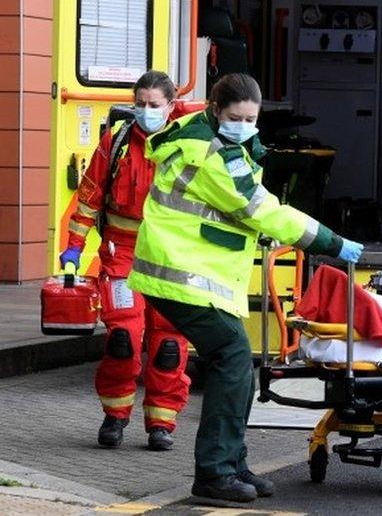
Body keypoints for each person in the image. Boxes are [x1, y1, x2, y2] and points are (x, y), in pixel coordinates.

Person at [127, 73, 364, 503]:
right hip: (180, 274)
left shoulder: (214, 140)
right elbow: (262, 210)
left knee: (237, 369)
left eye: (252, 118)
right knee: (233, 360)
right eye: (236, 117)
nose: (244, 124)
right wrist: (331, 241)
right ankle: (215, 474)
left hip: (192, 273)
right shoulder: (210, 153)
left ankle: (232, 465)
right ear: (216, 111)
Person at [60, 71, 203, 451]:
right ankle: (115, 416)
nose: (145, 111)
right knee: (122, 338)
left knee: (169, 344)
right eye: (140, 103)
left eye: (154, 105)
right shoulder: (117, 141)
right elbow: (89, 197)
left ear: (171, 107)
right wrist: (73, 247)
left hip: (172, 256)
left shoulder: (189, 147)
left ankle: (162, 424)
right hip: (121, 253)